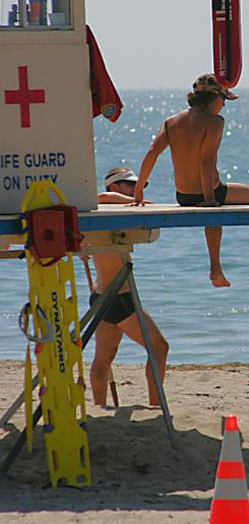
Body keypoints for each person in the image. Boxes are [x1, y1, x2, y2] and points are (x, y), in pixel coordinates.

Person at [134, 73, 249, 292]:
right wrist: (209, 199)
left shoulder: (171, 122)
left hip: (183, 196)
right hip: (209, 192)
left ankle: (216, 269)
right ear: (212, 98)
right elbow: (206, 161)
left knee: (215, 208)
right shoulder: (214, 122)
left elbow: (152, 153)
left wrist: (139, 188)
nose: (224, 105)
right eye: (223, 99)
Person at [85, 167, 169, 406]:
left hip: (102, 295)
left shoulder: (112, 217)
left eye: (136, 186)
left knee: (105, 356)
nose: (135, 189)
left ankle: (100, 407)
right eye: (129, 185)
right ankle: (155, 405)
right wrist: (135, 200)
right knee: (159, 347)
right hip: (117, 299)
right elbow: (101, 197)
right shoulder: (99, 207)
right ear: (113, 186)